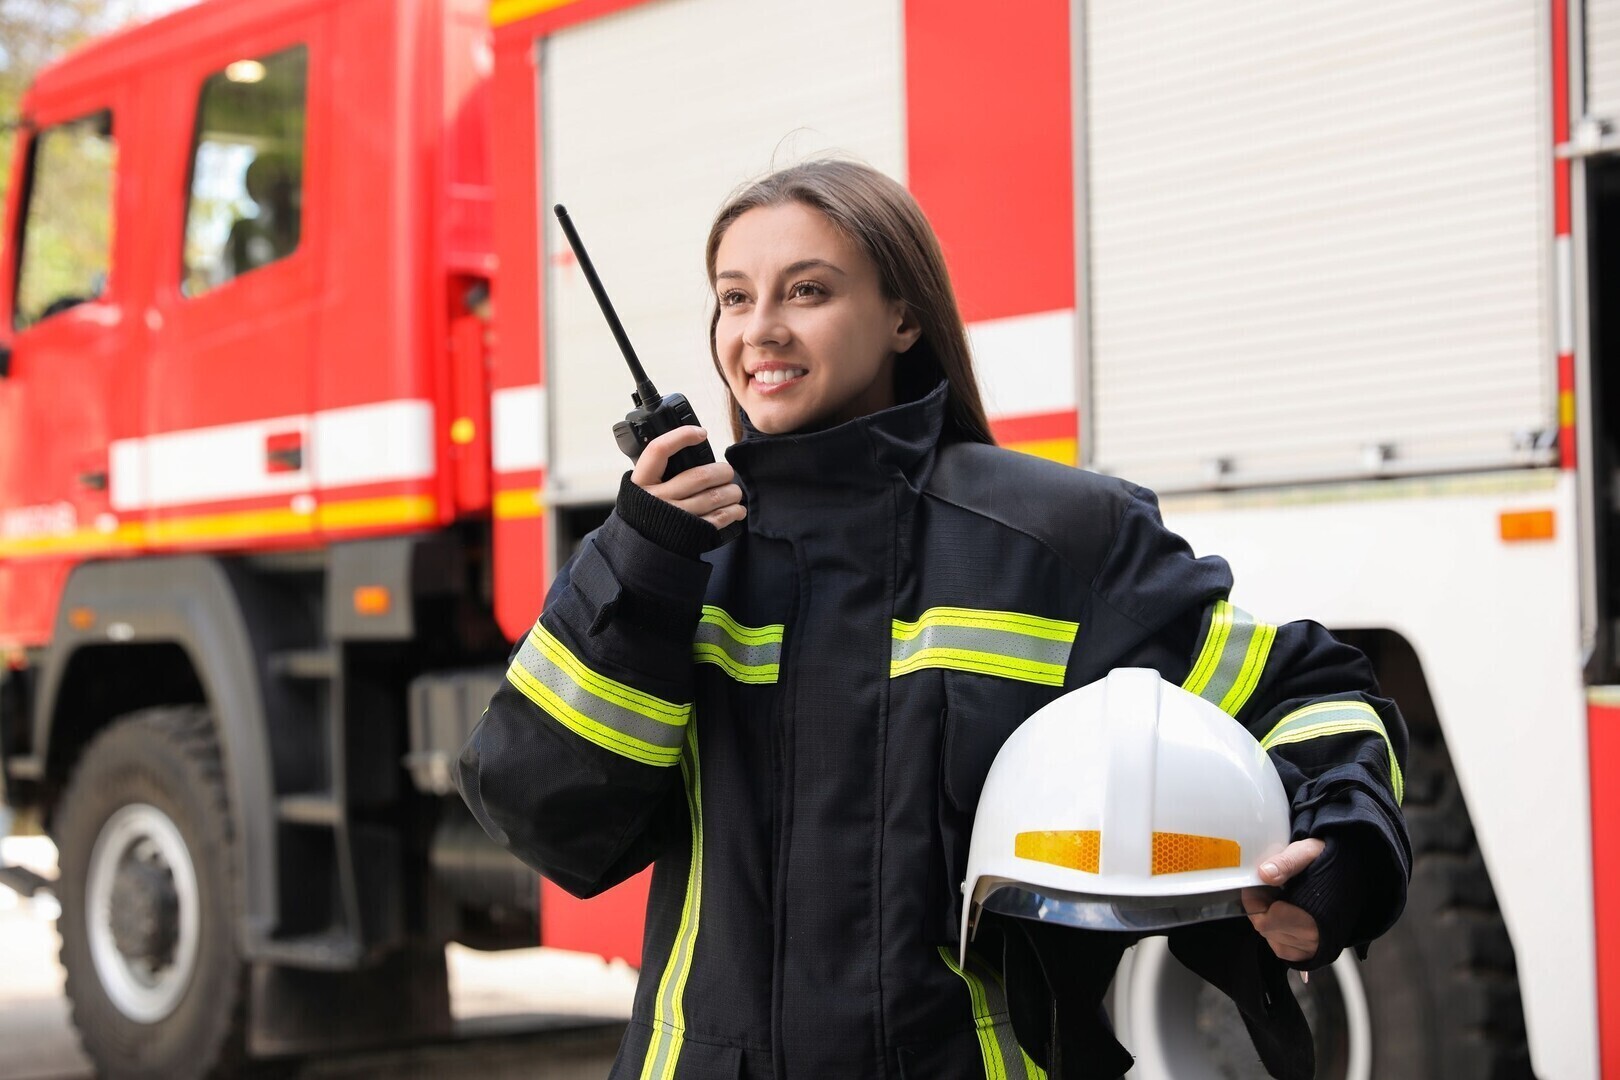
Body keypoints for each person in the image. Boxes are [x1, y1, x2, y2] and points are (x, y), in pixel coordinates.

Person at [457, 160, 1409, 1080]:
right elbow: (544, 814)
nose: (762, 333)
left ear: (903, 316)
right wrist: (639, 565)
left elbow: (1306, 693)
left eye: (809, 291)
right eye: (735, 298)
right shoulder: (668, 556)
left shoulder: (1054, 540)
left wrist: (1343, 861)